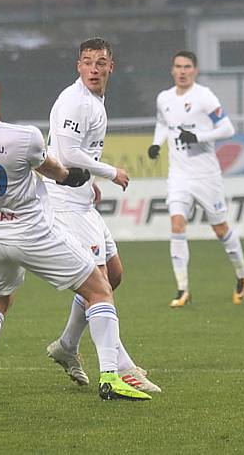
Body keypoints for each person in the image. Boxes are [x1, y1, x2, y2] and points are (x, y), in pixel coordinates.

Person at [0, 60, 150, 402]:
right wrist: (75, 178)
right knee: (99, 288)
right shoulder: (23, 137)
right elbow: (56, 170)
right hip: (31, 233)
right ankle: (111, 377)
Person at [44, 38, 160, 394]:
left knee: (114, 274)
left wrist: (89, 183)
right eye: (88, 62)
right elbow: (65, 152)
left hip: (80, 198)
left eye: (101, 62)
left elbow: (75, 154)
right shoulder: (75, 101)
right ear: (78, 66)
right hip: (63, 203)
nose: (94, 69)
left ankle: (66, 346)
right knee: (100, 285)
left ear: (112, 66)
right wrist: (109, 173)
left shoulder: (94, 100)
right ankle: (121, 368)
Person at [147, 51, 244, 308]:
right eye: (178, 66)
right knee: (177, 224)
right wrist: (156, 144)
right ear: (172, 70)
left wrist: (200, 137)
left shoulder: (204, 97)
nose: (182, 71)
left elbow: (228, 128)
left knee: (220, 228)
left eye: (188, 67)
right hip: (178, 175)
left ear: (195, 70)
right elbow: (163, 124)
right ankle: (182, 289)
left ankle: (242, 274)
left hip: (206, 175)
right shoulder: (164, 98)